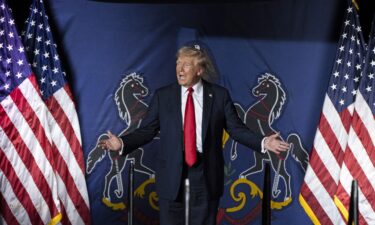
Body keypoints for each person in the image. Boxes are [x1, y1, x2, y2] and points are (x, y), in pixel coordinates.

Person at [99, 44, 289, 225]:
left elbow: (236, 129)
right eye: (178, 63)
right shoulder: (163, 96)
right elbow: (147, 130)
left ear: (199, 70)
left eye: (186, 64)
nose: (180, 69)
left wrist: (264, 142)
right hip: (171, 170)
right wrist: (122, 143)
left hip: (205, 171)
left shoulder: (219, 96)